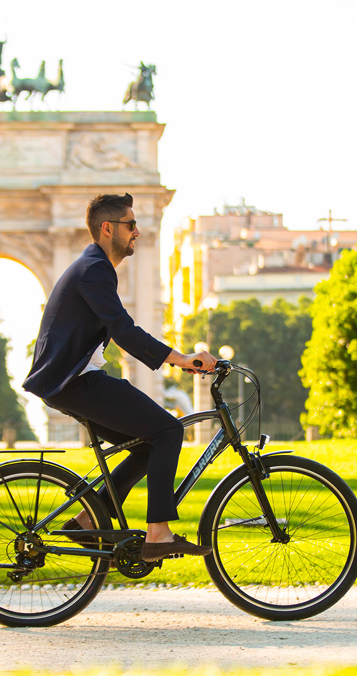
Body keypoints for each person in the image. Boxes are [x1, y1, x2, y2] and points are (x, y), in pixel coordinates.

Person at [22, 193, 217, 561]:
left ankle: (85, 522)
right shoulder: (93, 269)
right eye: (131, 225)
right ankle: (158, 535)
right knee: (168, 430)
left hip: (71, 381)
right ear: (108, 228)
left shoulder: (95, 267)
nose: (138, 232)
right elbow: (124, 331)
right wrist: (181, 359)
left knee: (146, 445)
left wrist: (177, 359)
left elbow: (121, 330)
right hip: (74, 381)